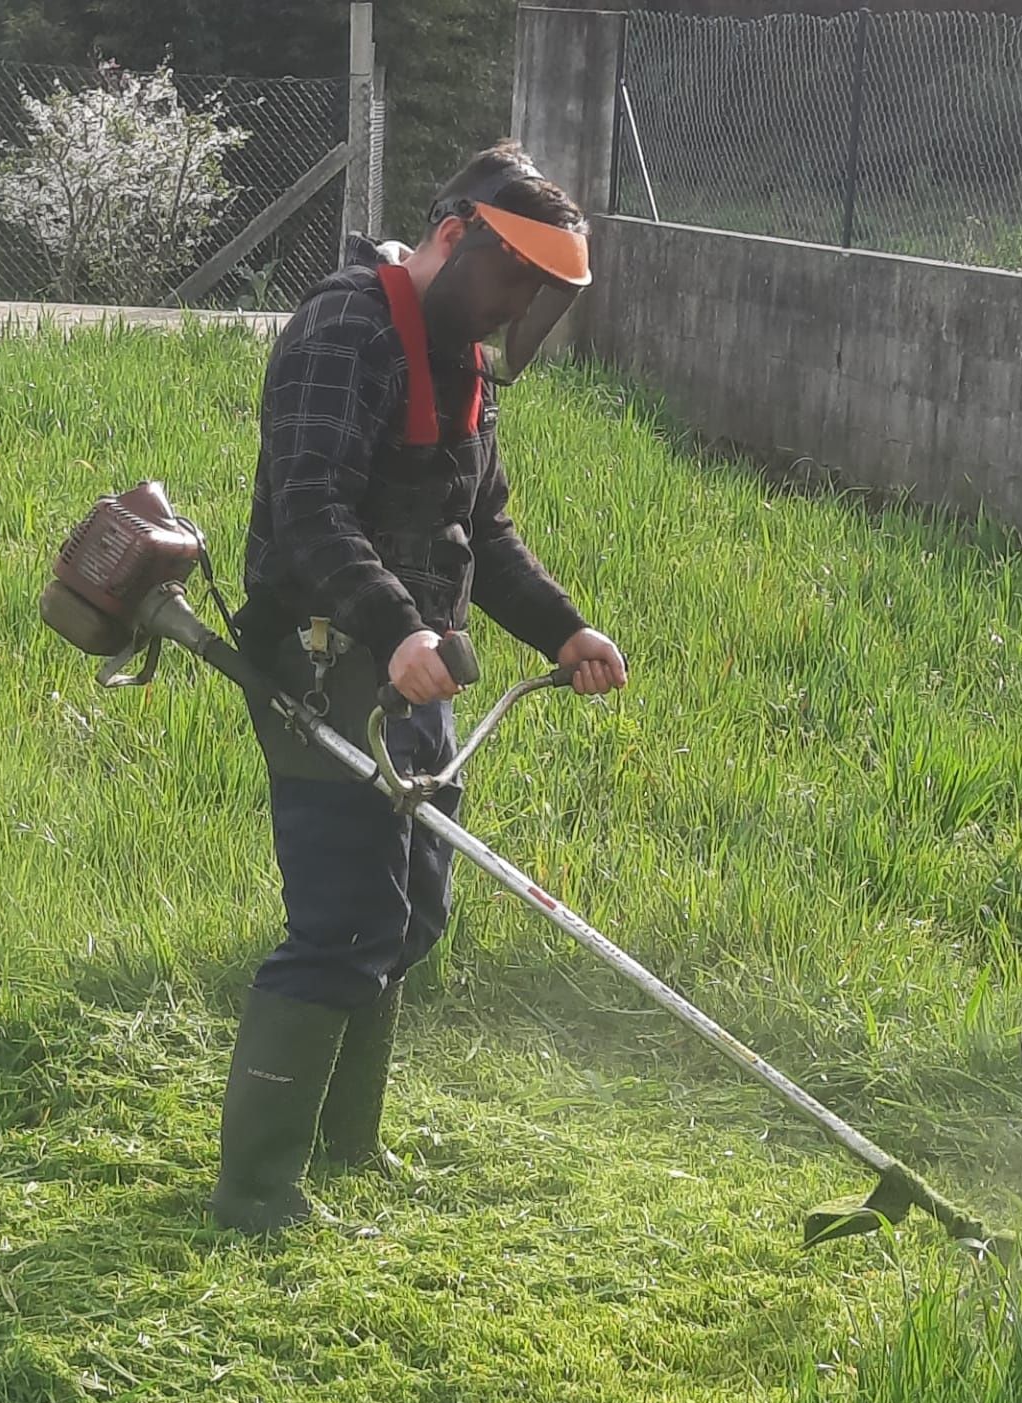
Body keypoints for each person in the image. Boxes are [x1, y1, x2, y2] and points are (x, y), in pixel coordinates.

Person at [211, 141, 627, 1234]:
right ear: (454, 239)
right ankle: (255, 1188)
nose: (515, 310)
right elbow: (310, 510)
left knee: (415, 909)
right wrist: (395, 629)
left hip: (414, 667)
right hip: (318, 654)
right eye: (512, 281)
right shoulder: (346, 327)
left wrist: (564, 629)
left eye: (538, 296)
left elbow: (480, 528)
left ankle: (347, 1144)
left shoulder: (465, 362)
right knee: (346, 918)